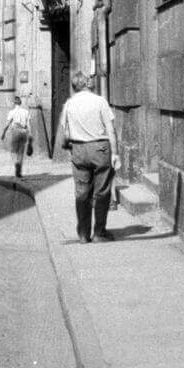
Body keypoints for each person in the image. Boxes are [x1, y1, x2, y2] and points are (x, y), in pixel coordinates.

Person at [57, 71, 120, 243]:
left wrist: (68, 145)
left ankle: (83, 234)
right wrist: (115, 153)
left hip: (78, 149)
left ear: (74, 86)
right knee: (102, 191)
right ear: (87, 83)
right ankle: (99, 232)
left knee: (82, 193)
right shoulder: (99, 101)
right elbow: (110, 129)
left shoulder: (69, 104)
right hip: (100, 148)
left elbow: (65, 132)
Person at [0, 95, 31, 179]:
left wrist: (3, 133)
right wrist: (30, 136)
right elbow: (28, 125)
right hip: (24, 132)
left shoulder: (12, 112)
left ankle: (16, 163)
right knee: (21, 153)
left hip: (15, 132)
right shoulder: (26, 112)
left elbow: (7, 124)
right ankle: (19, 172)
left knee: (13, 152)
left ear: (14, 103)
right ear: (20, 103)